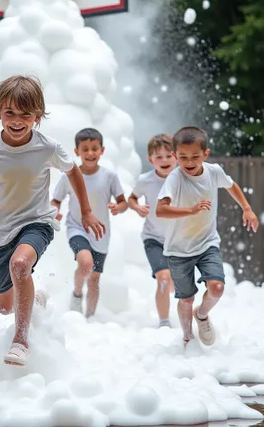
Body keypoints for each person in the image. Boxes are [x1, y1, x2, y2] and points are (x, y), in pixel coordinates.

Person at [0, 75, 105, 367]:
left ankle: (21, 340)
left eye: (25, 115)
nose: (17, 121)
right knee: (5, 307)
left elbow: (73, 173)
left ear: (38, 116)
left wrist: (86, 211)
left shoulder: (49, 148)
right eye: (10, 114)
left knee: (20, 265)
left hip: (36, 223)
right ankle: (34, 297)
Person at [156, 126, 258, 346]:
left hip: (207, 243)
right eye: (183, 157)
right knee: (186, 298)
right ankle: (187, 337)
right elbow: (160, 210)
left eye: (195, 156)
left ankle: (201, 315)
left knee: (217, 288)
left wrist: (247, 208)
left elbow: (232, 186)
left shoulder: (214, 172)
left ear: (205, 154)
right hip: (178, 250)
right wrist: (190, 211)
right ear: (175, 157)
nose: (189, 162)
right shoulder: (175, 179)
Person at [51, 128, 127, 318]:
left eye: (95, 148)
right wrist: (54, 212)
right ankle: (77, 294)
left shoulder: (110, 176)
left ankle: (90, 318)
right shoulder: (70, 176)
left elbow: (123, 201)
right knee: (86, 263)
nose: (90, 153)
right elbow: (56, 200)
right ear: (77, 152)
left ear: (102, 150)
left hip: (101, 233)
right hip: (77, 227)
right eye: (85, 149)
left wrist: (119, 207)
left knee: (94, 277)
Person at [128, 134, 176, 328]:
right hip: (153, 238)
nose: (164, 161)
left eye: (168, 156)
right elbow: (132, 198)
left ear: (177, 156)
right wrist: (138, 207)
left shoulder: (184, 178)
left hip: (178, 239)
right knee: (163, 278)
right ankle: (164, 322)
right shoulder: (145, 180)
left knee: (174, 282)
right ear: (150, 160)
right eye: (159, 157)